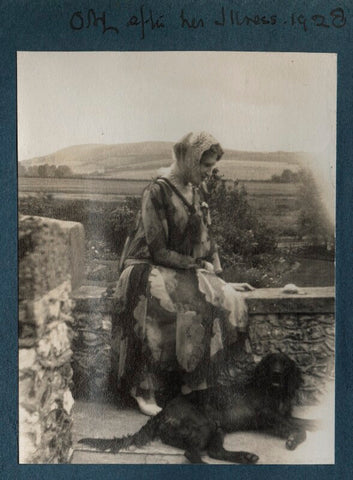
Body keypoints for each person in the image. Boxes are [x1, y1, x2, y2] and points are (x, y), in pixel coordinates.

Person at [112, 131, 253, 416]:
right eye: (205, 166)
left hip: (179, 265)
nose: (209, 172)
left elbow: (208, 242)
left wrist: (219, 277)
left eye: (212, 167)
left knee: (223, 297)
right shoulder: (157, 191)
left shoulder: (197, 192)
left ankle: (195, 383)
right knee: (166, 297)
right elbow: (157, 249)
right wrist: (197, 267)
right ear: (189, 159)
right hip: (144, 265)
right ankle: (144, 388)